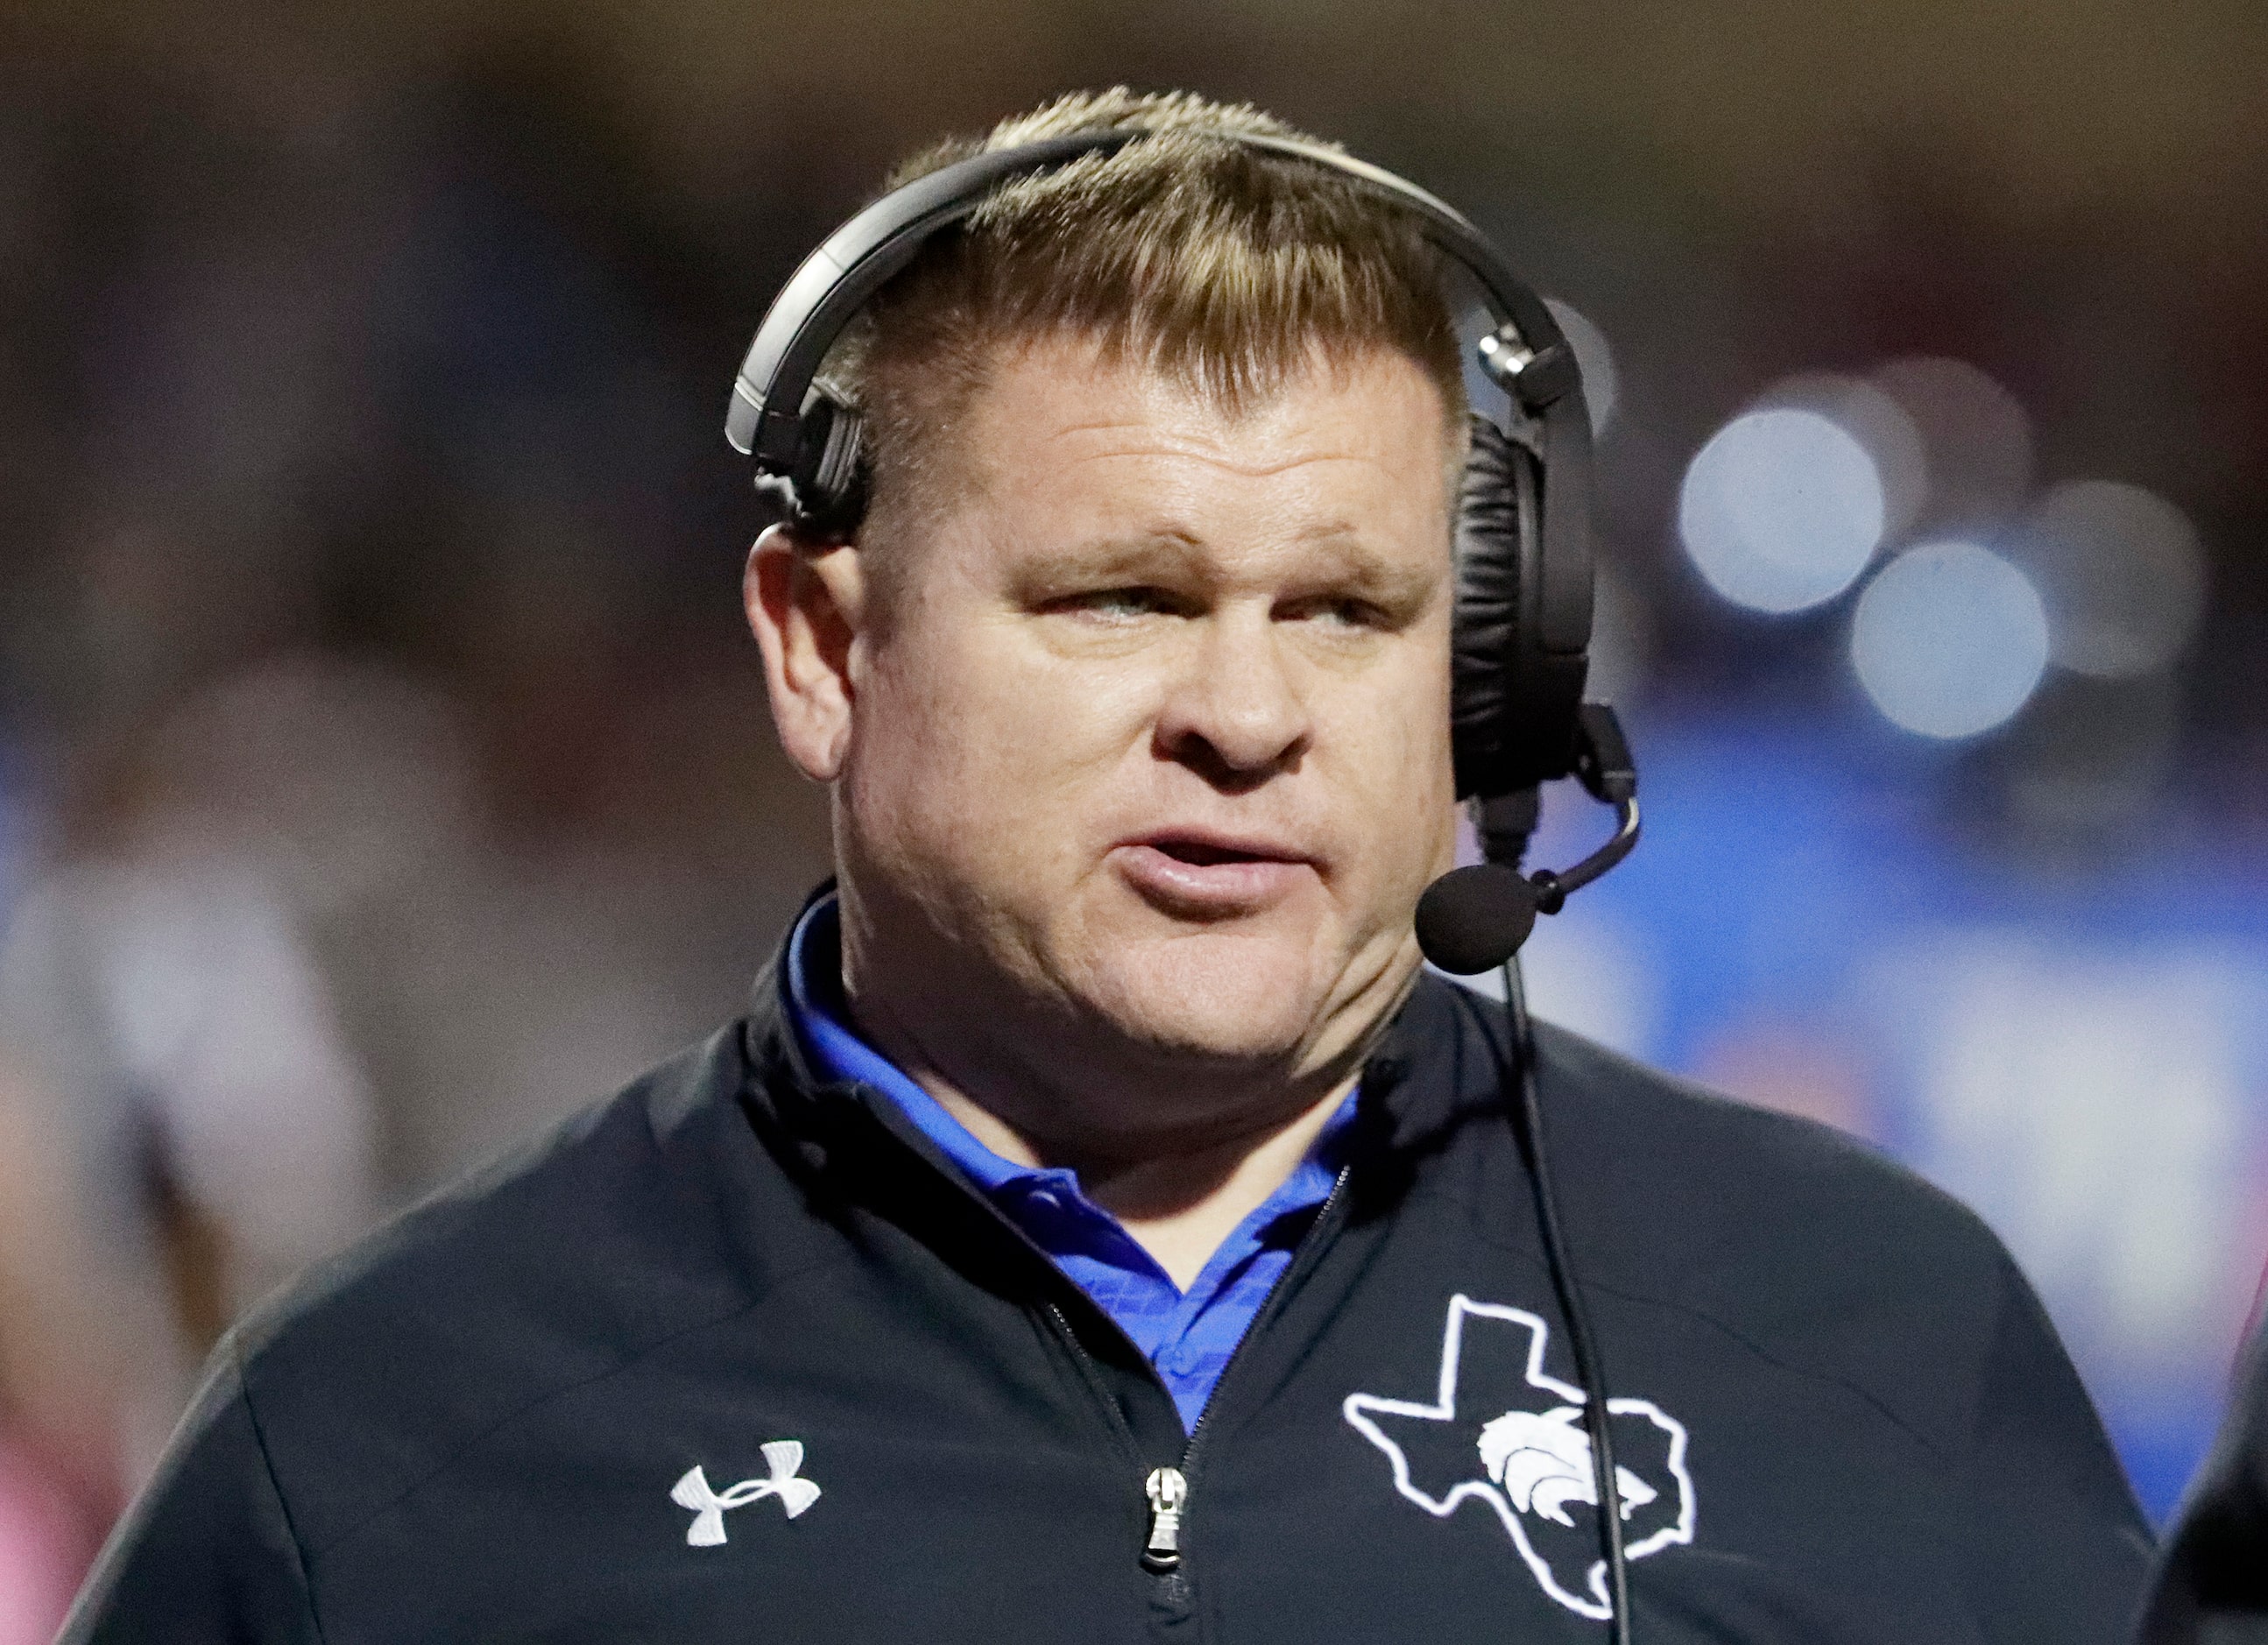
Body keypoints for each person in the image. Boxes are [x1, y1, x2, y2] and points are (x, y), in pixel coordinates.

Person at [60, 88, 2151, 1643]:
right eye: (1122, 598)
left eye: (1344, 610)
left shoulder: (1876, 1340)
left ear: (1489, 683)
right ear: (823, 648)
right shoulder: (388, 1436)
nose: (1246, 714)